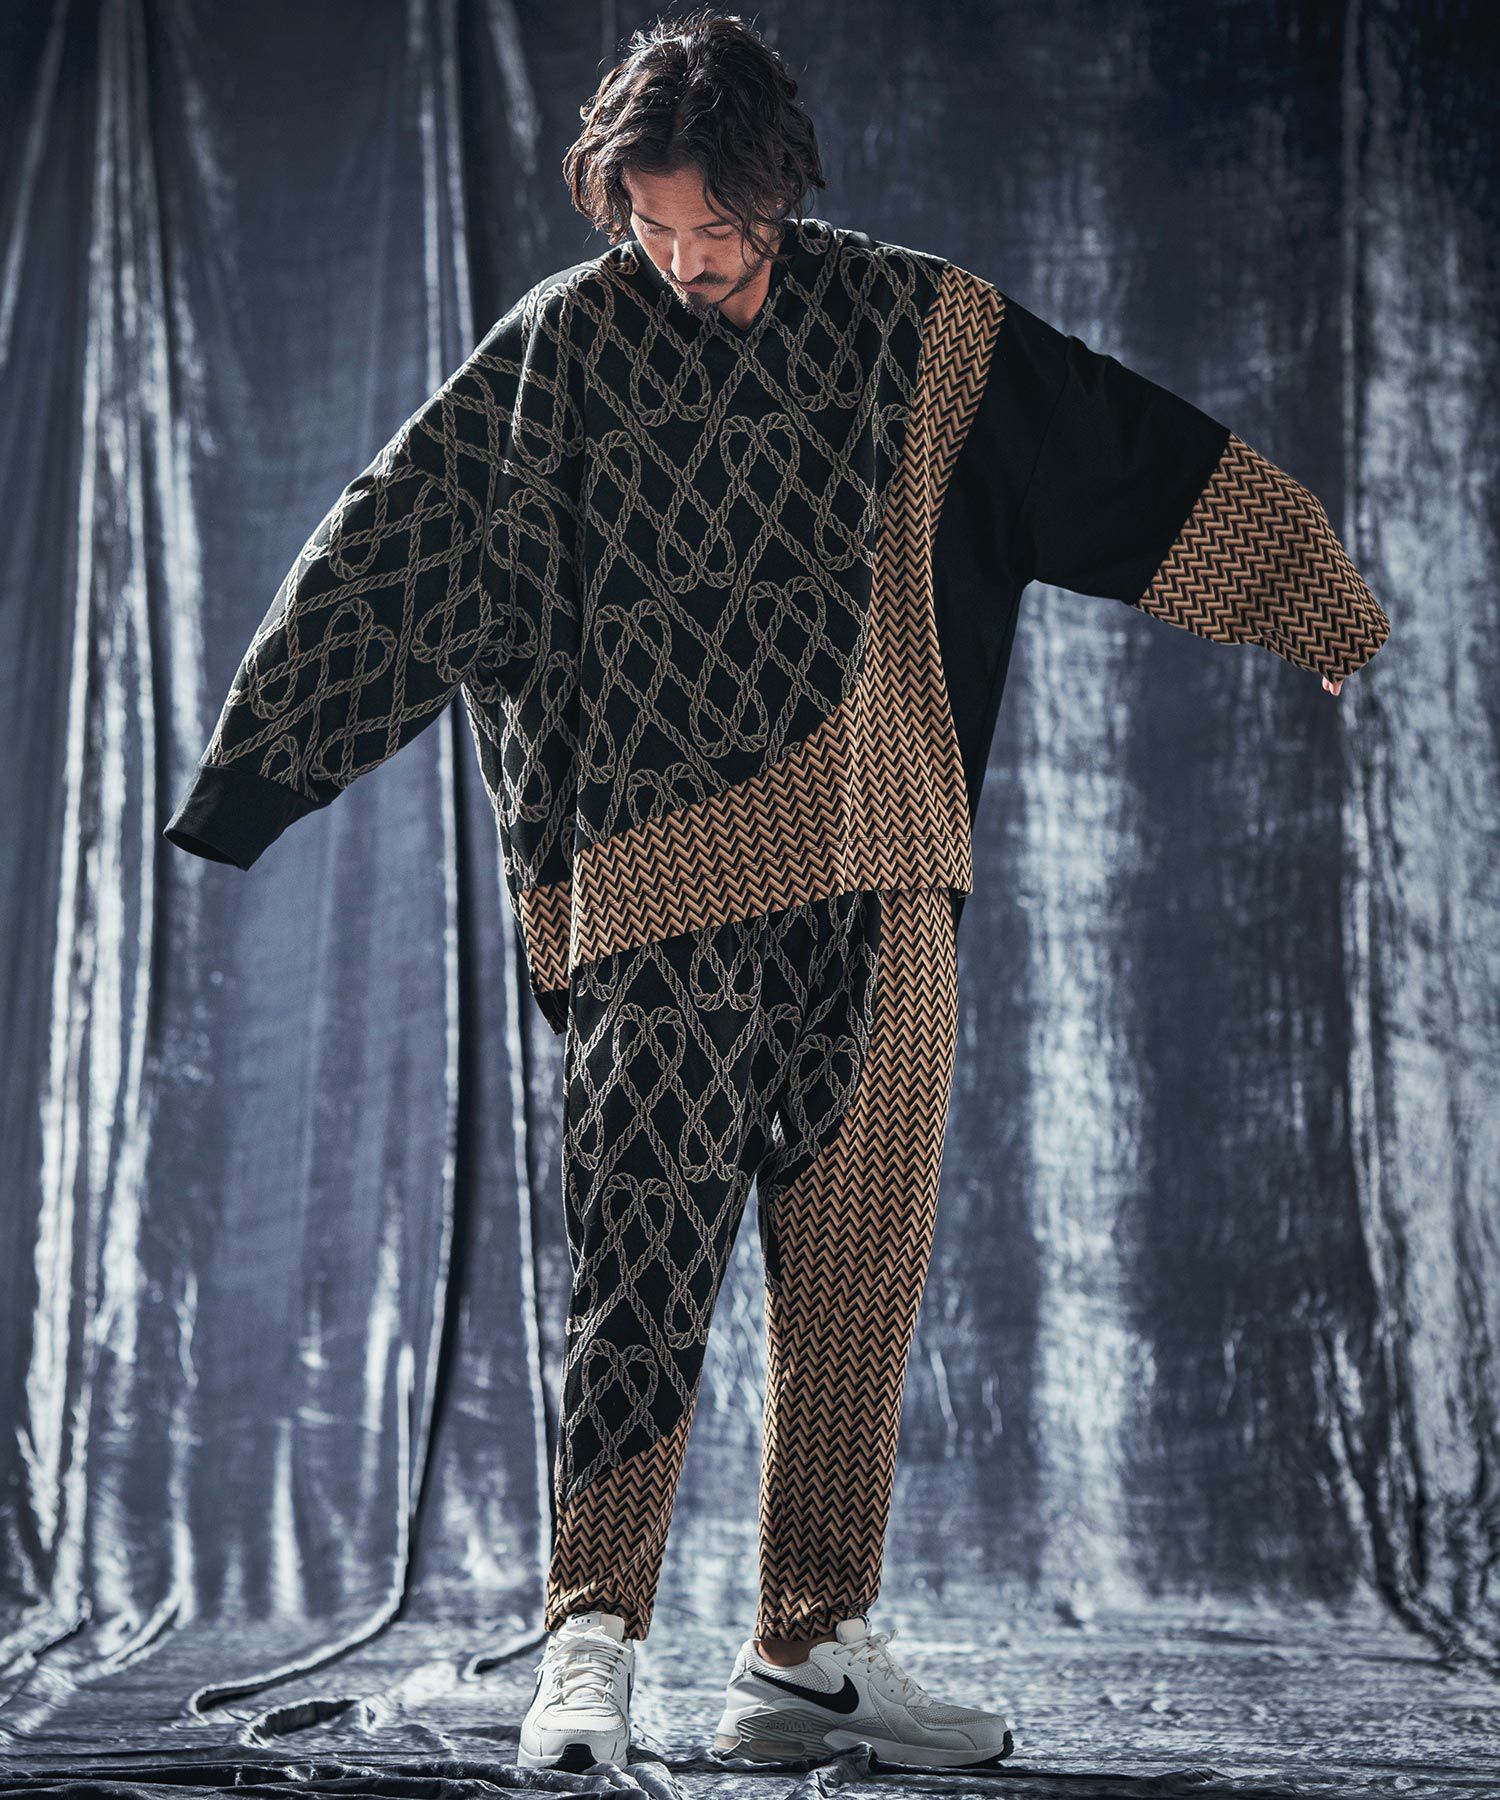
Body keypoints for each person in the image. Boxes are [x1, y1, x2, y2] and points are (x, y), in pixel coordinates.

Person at [161, 6, 1391, 1776]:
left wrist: (1306, 593)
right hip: (658, 903)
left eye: (715, 227)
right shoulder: (562, 355)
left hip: (884, 886)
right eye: (650, 227)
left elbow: (1116, 452)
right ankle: (592, 1643)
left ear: (779, 187)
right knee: (640, 1272)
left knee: (858, 1285)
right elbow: (394, 550)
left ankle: (808, 1652)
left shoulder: (920, 334)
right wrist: (250, 787)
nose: (684, 261)